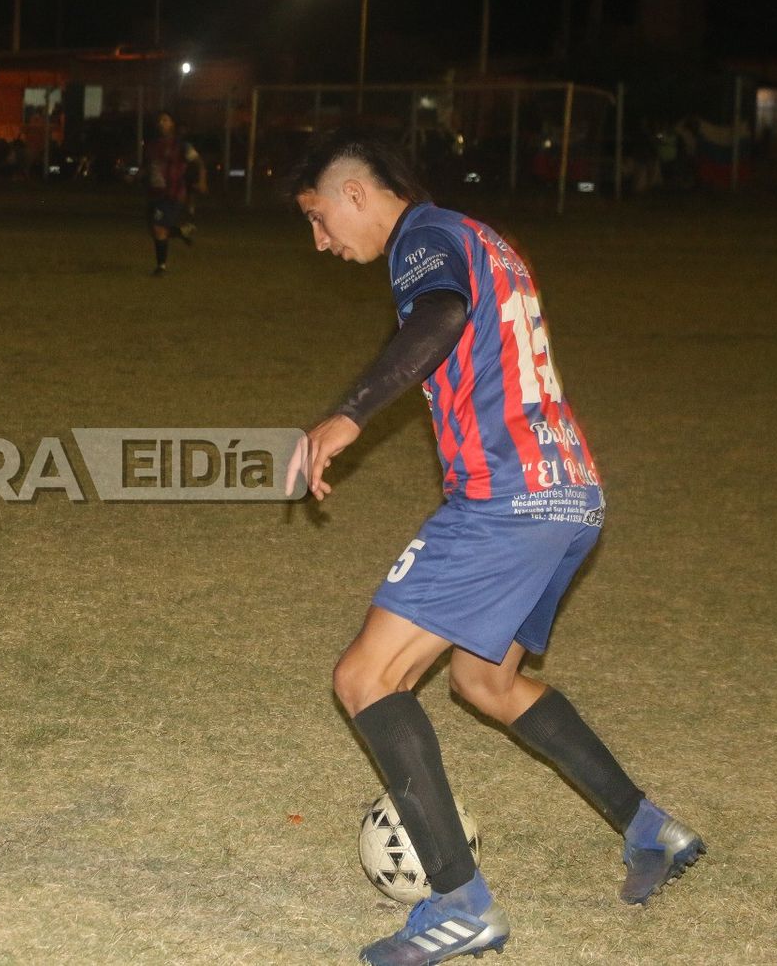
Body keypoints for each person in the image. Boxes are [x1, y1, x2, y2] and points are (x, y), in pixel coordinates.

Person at [283, 131, 703, 966]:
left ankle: (460, 902)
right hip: (570, 491)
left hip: (507, 498)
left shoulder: (424, 240)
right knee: (486, 679)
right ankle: (653, 828)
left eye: (318, 216)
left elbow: (441, 316)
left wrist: (348, 413)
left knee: (366, 677)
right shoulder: (481, 237)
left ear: (356, 193)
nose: (320, 240)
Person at [144, 110, 205, 276]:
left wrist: (202, 181)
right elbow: (150, 168)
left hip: (173, 193)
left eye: (165, 120)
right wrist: (136, 176)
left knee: (158, 229)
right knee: (155, 230)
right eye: (160, 120)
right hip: (155, 193)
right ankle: (182, 232)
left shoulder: (181, 145)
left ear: (172, 124)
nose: (161, 123)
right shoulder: (152, 145)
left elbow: (198, 162)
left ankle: (161, 267)